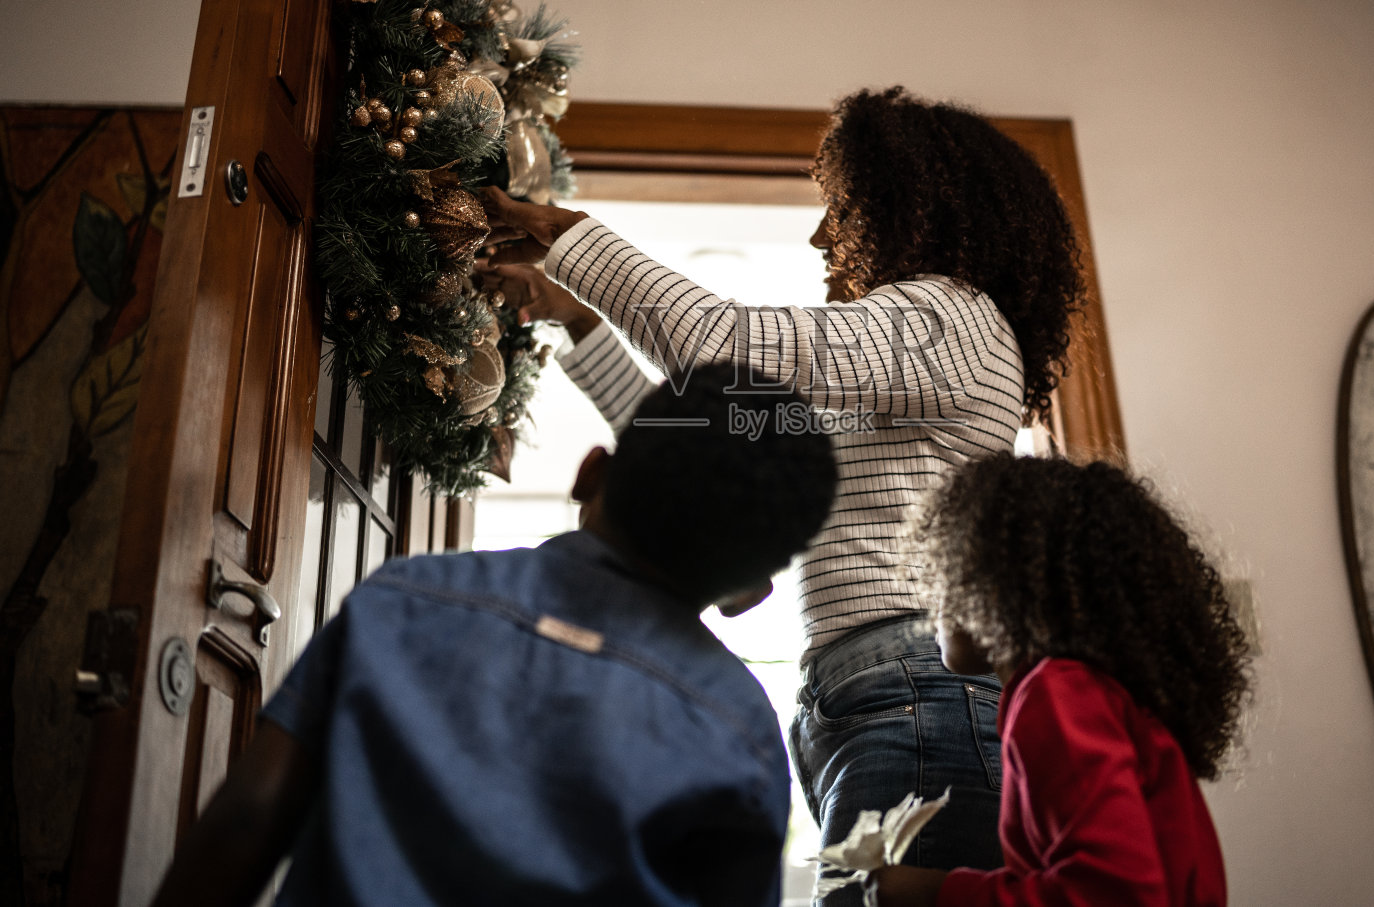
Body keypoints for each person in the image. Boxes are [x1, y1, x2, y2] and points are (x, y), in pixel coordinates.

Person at [479, 86, 1085, 894]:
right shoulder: (887, 383)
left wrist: (566, 236)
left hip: (914, 698)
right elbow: (698, 447)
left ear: (906, 209)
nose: (819, 233)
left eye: (840, 207)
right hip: (875, 699)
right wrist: (576, 316)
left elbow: (719, 341)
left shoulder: (952, 319)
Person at [148, 364, 838, 907]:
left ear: (590, 471)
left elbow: (246, 817)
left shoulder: (402, 600)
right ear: (751, 595)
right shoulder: (740, 731)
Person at [869, 455, 1252, 907]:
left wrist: (934, 891)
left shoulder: (1055, 695)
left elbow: (1116, 893)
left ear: (1002, 581)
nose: (933, 593)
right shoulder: (1096, 697)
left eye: (950, 567)